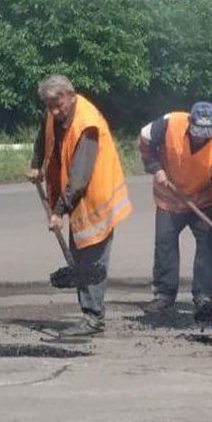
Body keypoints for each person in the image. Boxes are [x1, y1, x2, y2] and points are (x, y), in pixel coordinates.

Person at [27, 75, 132, 336]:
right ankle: (89, 312)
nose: (53, 110)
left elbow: (80, 176)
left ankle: (94, 318)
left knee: (91, 257)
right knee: (79, 254)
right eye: (49, 105)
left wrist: (58, 211)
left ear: (71, 96)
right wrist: (35, 164)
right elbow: (44, 136)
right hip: (76, 199)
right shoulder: (54, 111)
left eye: (57, 104)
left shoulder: (88, 125)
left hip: (96, 198)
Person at [138, 102, 212, 314]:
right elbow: (144, 138)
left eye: (205, 134)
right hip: (170, 196)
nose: (200, 138)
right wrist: (154, 167)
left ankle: (203, 296)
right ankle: (164, 295)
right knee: (165, 244)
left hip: (204, 201)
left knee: (208, 247)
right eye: (196, 132)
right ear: (189, 123)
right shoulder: (170, 123)